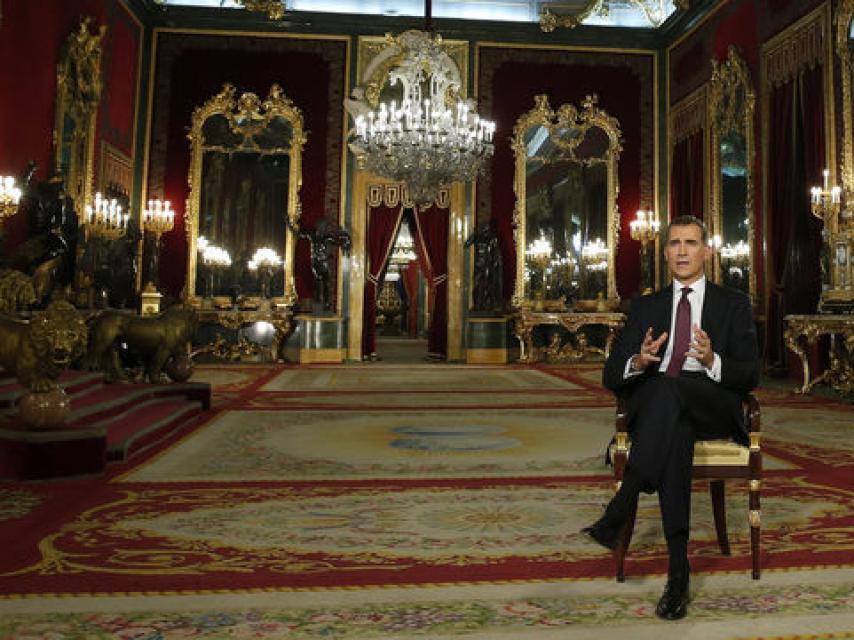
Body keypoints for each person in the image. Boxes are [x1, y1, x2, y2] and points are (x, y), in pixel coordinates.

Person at [583, 214, 759, 621]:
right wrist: (638, 360)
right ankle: (678, 572)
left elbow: (751, 374)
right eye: (675, 243)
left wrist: (713, 360)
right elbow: (611, 376)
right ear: (665, 252)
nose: (682, 251)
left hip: (711, 402)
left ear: (706, 251)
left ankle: (622, 504)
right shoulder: (647, 306)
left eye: (691, 243)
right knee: (670, 414)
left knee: (668, 391)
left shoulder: (733, 303)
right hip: (667, 413)